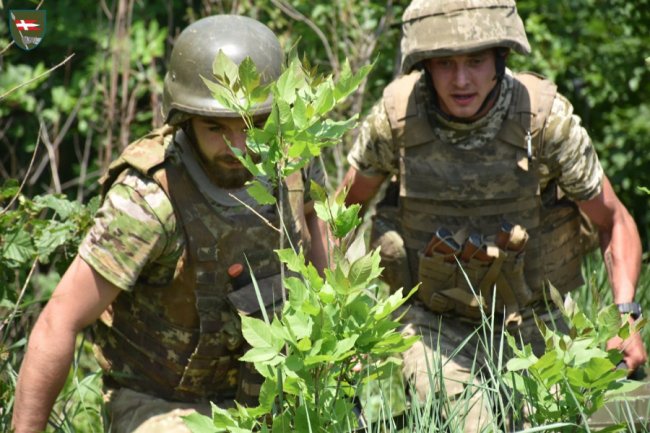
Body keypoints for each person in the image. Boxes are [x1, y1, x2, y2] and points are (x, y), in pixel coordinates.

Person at [328, 0, 647, 430]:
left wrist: (624, 316)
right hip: (433, 327)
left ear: (500, 57)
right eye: (445, 63)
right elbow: (338, 218)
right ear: (425, 65)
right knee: (468, 425)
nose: (461, 80)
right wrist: (334, 332)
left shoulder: (544, 120)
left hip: (539, 323)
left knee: (560, 423)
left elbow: (615, 222)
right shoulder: (396, 118)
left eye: (476, 61)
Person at [12, 15, 326, 433]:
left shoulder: (294, 158)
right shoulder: (151, 198)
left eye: (254, 126)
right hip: (162, 404)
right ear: (185, 119)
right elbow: (60, 319)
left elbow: (315, 224)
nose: (237, 147)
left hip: (272, 392)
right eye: (215, 127)